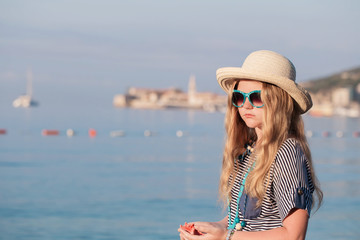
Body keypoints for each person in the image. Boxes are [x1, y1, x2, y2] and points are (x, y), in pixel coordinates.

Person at [178, 50, 323, 240]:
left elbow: (293, 235)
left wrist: (225, 236)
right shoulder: (249, 150)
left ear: (278, 101)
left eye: (256, 97)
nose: (245, 105)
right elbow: (244, 219)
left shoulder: (287, 151)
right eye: (239, 97)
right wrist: (216, 228)